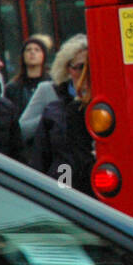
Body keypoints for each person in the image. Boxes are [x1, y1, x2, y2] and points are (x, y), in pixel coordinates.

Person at [31, 35, 95, 196]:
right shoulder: (55, 110)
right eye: (80, 67)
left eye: (91, 66)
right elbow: (41, 160)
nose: (86, 73)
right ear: (68, 69)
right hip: (65, 187)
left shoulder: (106, 108)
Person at [4, 35, 54, 117]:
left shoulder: (53, 84)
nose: (32, 52)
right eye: (28, 50)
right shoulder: (12, 88)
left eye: (37, 50)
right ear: (23, 56)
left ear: (43, 55)